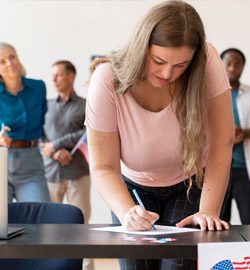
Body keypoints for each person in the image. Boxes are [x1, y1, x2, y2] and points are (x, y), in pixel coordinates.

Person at [85, 1, 234, 270]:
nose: (168, 73)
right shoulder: (107, 79)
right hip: (133, 190)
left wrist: (209, 210)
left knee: (178, 264)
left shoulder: (207, 61)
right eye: (159, 61)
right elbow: (103, 167)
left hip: (190, 183)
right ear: (142, 48)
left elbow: (222, 144)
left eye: (181, 65)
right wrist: (126, 212)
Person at [41, 60, 93, 270]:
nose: (53, 79)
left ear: (71, 77)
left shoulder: (85, 105)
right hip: (50, 174)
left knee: (81, 226)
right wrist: (54, 151)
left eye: (58, 75)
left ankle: (86, 267)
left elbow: (88, 132)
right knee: (49, 227)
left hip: (77, 174)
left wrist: (59, 144)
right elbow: (39, 136)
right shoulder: (45, 106)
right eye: (52, 75)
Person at [220, 48, 250, 225]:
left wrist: (245, 133)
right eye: (228, 64)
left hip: (248, 173)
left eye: (237, 64)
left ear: (243, 67)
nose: (232, 68)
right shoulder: (207, 95)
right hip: (217, 172)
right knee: (216, 225)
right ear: (220, 65)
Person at [0, 42, 50, 203]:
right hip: (2, 160)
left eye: (12, 57)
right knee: (2, 225)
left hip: (31, 163)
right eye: (2, 61)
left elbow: (44, 120)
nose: (9, 63)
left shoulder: (38, 87)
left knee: (40, 221)